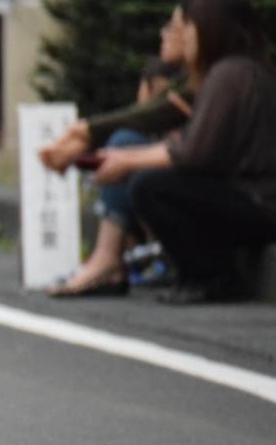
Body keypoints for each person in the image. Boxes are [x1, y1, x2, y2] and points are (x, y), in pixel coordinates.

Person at [92, 0, 276, 304]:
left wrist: (127, 162)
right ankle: (198, 274)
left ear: (211, 29)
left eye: (187, 28)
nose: (180, 36)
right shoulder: (234, 72)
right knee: (150, 178)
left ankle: (212, 277)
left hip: (268, 203)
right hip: (261, 198)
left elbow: (195, 153)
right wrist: (125, 159)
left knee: (153, 187)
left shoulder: (230, 74)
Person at [43, 38, 190, 297]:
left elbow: (192, 150)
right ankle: (112, 257)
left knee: (125, 149)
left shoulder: (204, 84)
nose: (168, 34)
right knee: (124, 154)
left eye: (179, 26)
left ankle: (108, 260)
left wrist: (126, 159)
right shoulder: (202, 80)